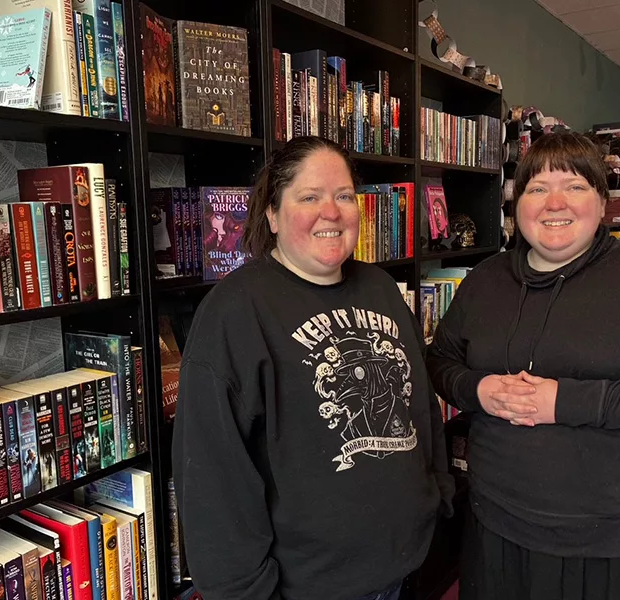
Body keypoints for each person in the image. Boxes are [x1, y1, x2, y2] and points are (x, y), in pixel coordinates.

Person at [426, 131, 620, 600]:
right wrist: (476, 389)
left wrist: (563, 401)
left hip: (615, 537)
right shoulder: (485, 279)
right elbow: (441, 359)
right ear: (517, 203)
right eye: (537, 188)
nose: (555, 202)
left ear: (602, 201)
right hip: (499, 522)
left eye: (576, 186)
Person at [172, 136, 455, 600]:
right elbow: (210, 476)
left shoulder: (382, 288)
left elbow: (419, 405)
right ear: (272, 215)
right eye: (309, 197)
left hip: (406, 567)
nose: (332, 211)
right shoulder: (235, 310)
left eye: (344, 195)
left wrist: (435, 494)